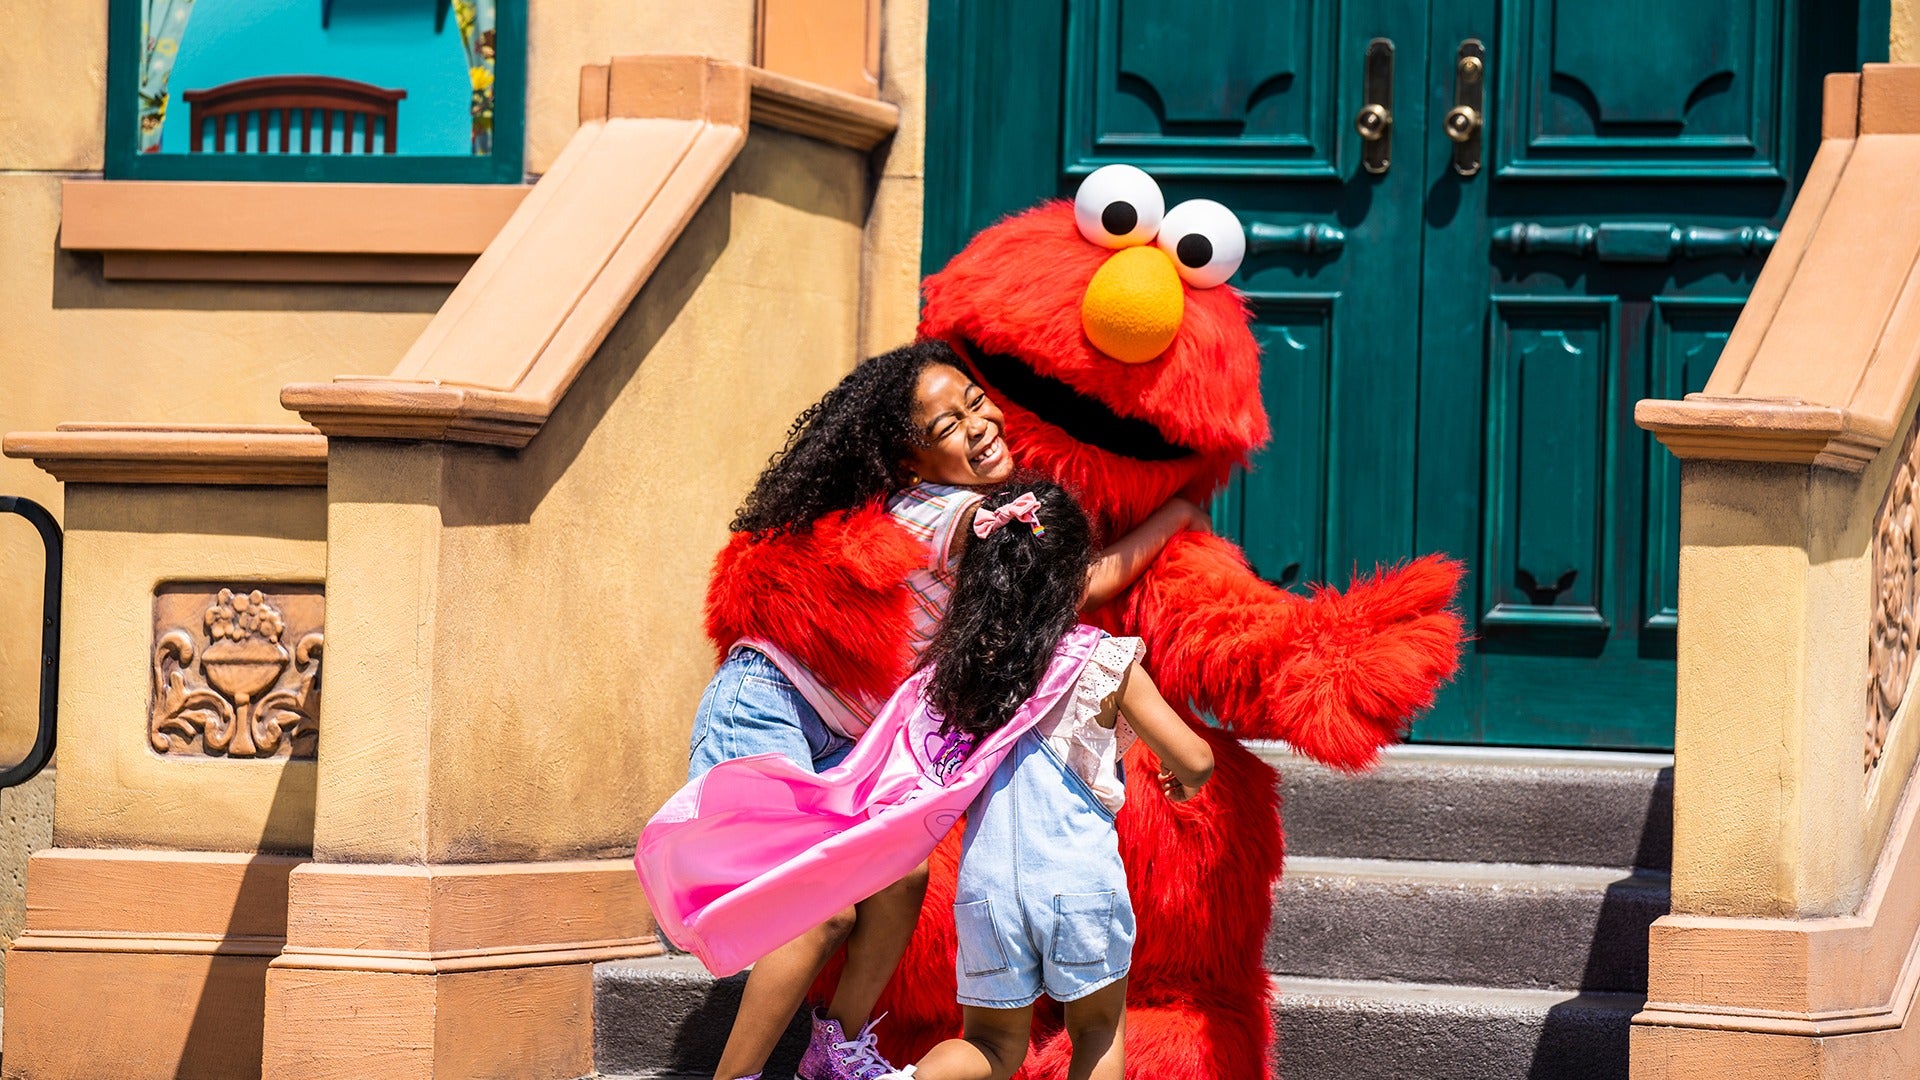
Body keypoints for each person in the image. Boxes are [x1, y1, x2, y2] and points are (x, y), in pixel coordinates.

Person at [685, 343, 1208, 1080]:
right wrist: (1177, 513)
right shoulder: (950, 513)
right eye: (946, 427)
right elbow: (1075, 583)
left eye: (974, 401)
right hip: (770, 705)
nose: (977, 424)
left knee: (900, 880)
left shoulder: (960, 512)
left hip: (841, 734)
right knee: (823, 909)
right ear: (910, 465)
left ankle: (832, 1056)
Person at [879, 479, 1214, 1080]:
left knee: (989, 1044)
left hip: (986, 891)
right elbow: (1194, 759)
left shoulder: (962, 669)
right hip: (1076, 882)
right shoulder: (1100, 660)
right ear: (1076, 574)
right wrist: (1183, 780)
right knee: (1097, 1029)